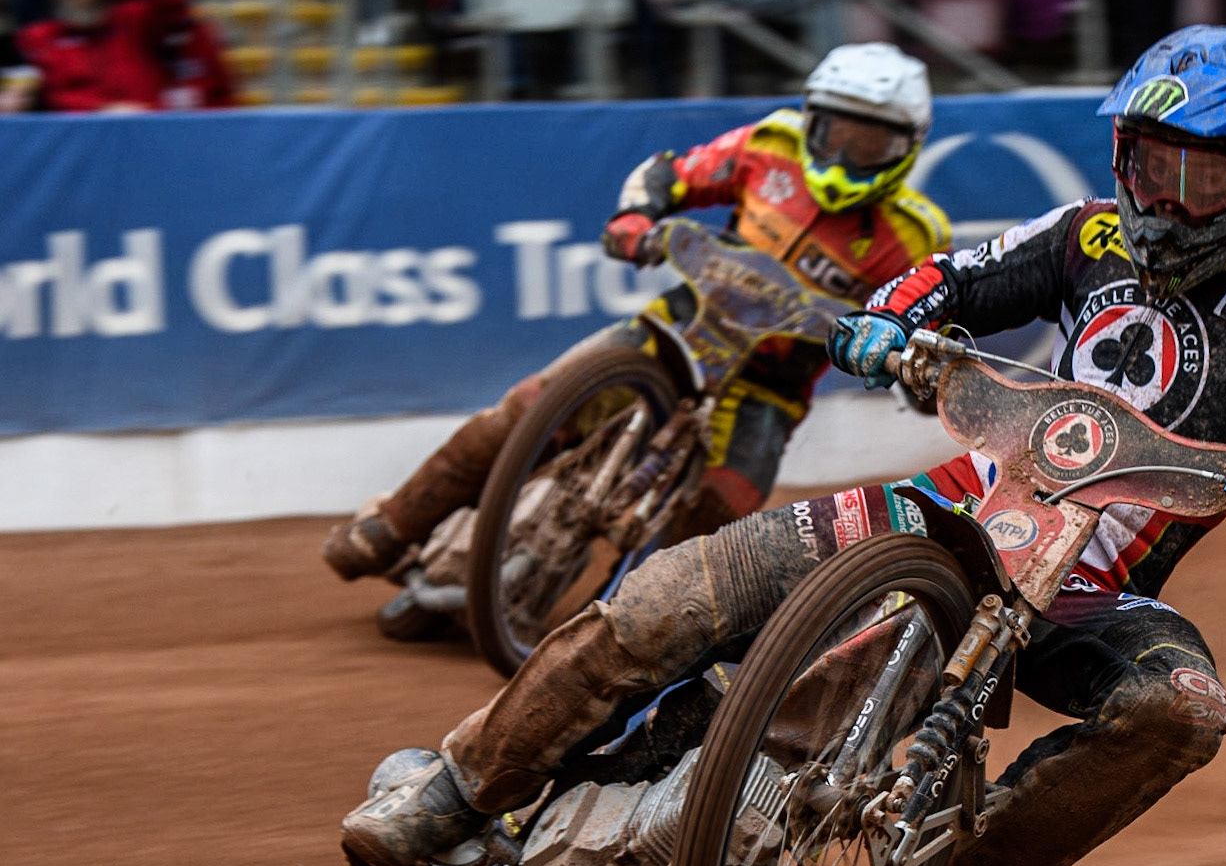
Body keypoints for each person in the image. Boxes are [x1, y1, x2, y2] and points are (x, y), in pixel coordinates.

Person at [340, 26, 1226, 866]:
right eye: (1146, 165)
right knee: (671, 593)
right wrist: (881, 324)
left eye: (1202, 176)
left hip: (1094, 592)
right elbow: (944, 280)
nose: (1165, 200)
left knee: (1183, 710)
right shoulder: (1084, 237)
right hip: (948, 512)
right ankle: (455, 791)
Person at [320, 41, 951, 584]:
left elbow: (927, 325)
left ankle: (622, 627)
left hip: (767, 388)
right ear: (813, 120)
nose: (845, 152)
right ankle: (392, 525)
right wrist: (634, 219)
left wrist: (921, 370)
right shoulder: (771, 145)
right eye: (837, 131)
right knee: (525, 412)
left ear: (907, 147)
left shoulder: (916, 233)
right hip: (675, 331)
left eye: (868, 141)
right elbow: (671, 175)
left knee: (717, 520)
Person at [14, 0, 234, 113]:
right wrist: (102, 111)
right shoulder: (41, 37)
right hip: (87, 142)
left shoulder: (136, 19)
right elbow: (56, 96)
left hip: (152, 135)